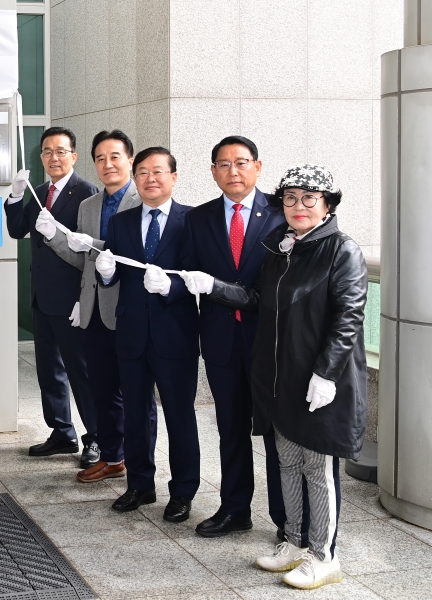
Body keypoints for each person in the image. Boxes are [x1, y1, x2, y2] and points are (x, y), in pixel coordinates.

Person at [182, 164, 367, 590]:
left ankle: (324, 556)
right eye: (290, 198)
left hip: (320, 382)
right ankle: (295, 541)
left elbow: (348, 318)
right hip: (281, 379)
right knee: (286, 460)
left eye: (308, 199)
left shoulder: (342, 250)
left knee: (318, 469)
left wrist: (326, 374)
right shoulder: (281, 250)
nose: (298, 207)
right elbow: (257, 299)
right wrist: (211, 285)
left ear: (327, 205)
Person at [185, 136, 296, 539]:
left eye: (241, 162)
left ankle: (287, 519)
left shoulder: (282, 215)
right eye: (224, 164)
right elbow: (187, 276)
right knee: (230, 427)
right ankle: (235, 509)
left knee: (273, 432)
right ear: (213, 171)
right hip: (219, 340)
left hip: (269, 342)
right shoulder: (199, 219)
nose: (233, 171)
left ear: (258, 167)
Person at [43, 129, 157, 482]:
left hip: (131, 311)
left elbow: (137, 255)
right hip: (93, 310)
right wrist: (56, 239)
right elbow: (85, 260)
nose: (108, 165)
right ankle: (112, 456)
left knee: (136, 396)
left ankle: (141, 470)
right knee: (102, 390)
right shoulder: (88, 205)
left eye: (115, 157)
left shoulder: (144, 202)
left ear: (130, 160)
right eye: (101, 159)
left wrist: (91, 242)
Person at [95, 147, 200, 522]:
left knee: (179, 415)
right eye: (142, 173)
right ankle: (140, 485)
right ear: (135, 180)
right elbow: (112, 272)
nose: (150, 179)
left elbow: (202, 280)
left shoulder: (192, 221)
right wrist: (105, 272)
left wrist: (171, 287)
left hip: (176, 335)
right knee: (136, 414)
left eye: (158, 171)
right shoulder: (121, 223)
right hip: (132, 333)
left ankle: (183, 491)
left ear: (174, 176)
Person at [5, 126, 101, 468]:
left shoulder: (88, 193)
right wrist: (15, 197)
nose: (54, 157)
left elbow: (91, 251)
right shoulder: (40, 190)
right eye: (47, 152)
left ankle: (97, 438)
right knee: (49, 370)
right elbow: (17, 230)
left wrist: (83, 298)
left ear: (74, 155)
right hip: (42, 298)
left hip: (73, 301)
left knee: (82, 372)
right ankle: (62, 431)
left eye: (61, 151)